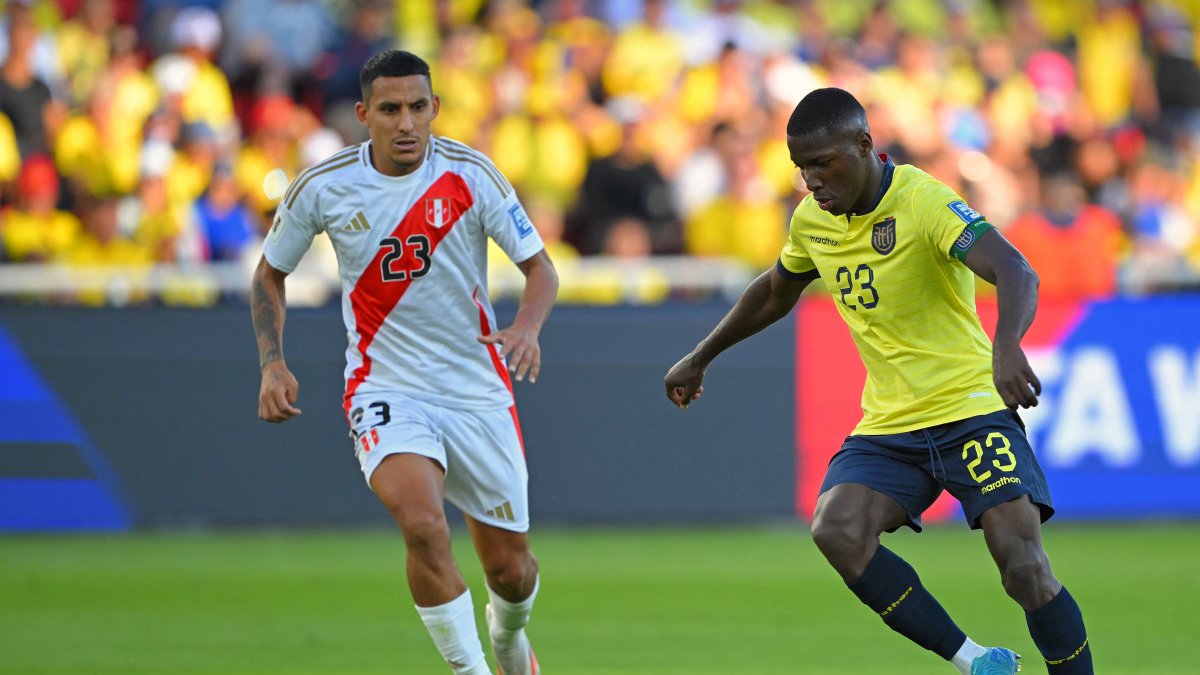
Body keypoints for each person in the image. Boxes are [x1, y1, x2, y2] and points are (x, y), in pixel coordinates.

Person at [663, 88, 1093, 674]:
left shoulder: (923, 202)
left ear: (864, 146)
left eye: (822, 163)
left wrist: (1008, 345)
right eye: (800, 169)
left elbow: (1014, 268)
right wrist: (701, 355)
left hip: (969, 408)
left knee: (1022, 567)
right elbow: (774, 291)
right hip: (892, 423)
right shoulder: (812, 221)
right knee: (837, 529)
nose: (811, 181)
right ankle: (977, 662)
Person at [250, 50, 557, 675]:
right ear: (365, 114)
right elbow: (268, 274)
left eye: (418, 107)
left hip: (477, 390)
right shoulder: (323, 186)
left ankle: (507, 636)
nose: (406, 123)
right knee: (422, 526)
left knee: (512, 570)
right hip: (384, 386)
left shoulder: (471, 174)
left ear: (435, 108)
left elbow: (540, 268)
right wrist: (272, 363)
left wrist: (526, 326)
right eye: (390, 110)